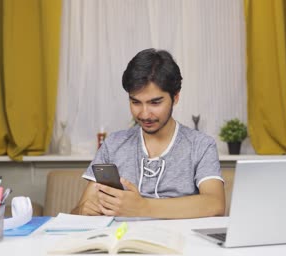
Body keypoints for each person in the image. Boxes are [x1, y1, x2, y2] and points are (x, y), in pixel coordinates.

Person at [71, 48, 225, 218]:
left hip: (178, 242)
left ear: (175, 97)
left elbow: (215, 204)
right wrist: (84, 211)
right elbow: (78, 212)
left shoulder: (201, 145)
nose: (144, 114)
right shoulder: (113, 144)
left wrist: (143, 207)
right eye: (135, 102)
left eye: (155, 102)